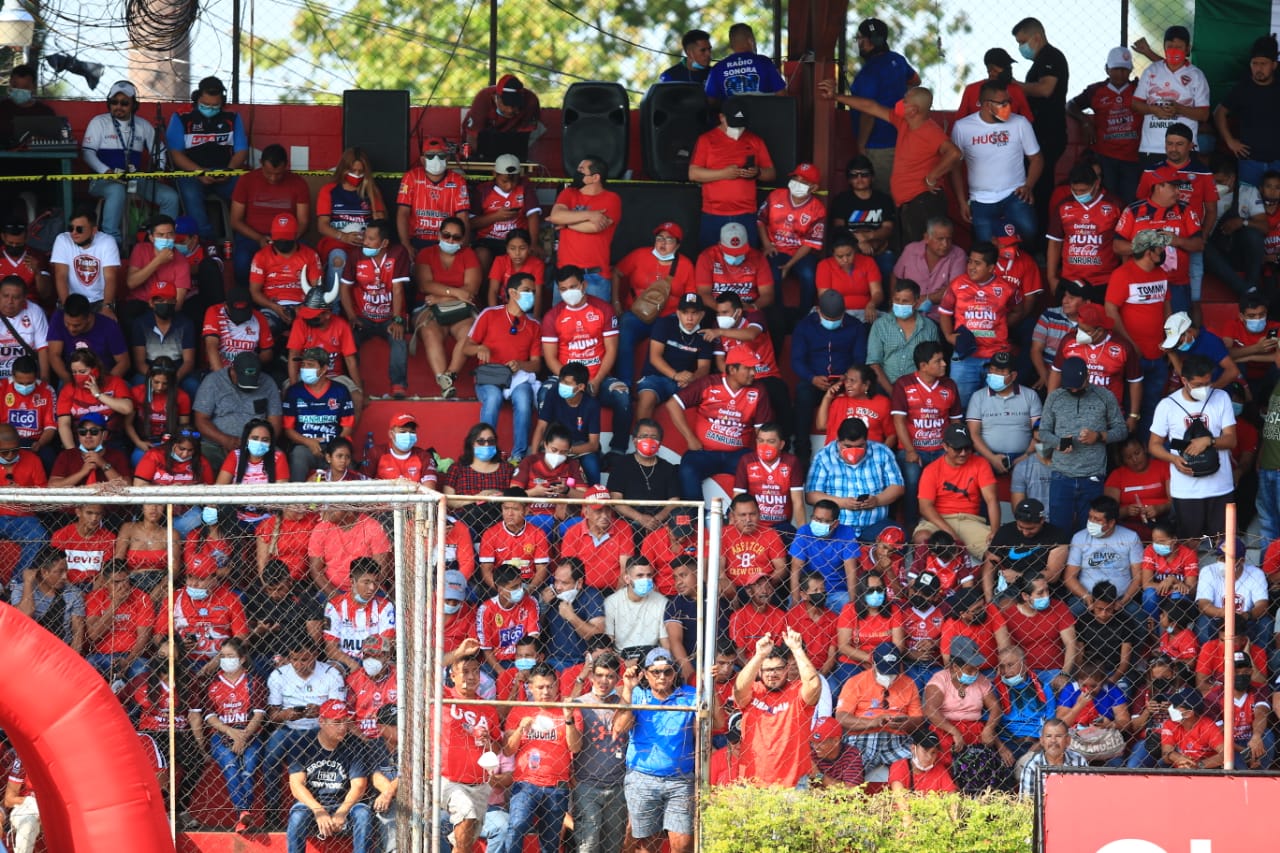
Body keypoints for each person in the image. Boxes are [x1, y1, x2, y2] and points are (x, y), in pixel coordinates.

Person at [816, 84, 962, 245]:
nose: (900, 103)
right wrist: (836, 96)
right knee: (911, 252)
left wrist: (932, 177)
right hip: (909, 204)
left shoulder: (930, 131)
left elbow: (954, 153)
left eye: (905, 101)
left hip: (923, 203)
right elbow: (871, 107)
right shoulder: (904, 122)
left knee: (924, 252)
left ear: (913, 110)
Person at [615, 647, 704, 853]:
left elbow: (712, 726)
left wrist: (708, 689)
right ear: (646, 674)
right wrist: (628, 689)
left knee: (682, 844)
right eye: (656, 672)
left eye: (667, 671)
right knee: (648, 845)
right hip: (643, 777)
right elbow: (620, 727)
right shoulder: (638, 694)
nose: (662, 676)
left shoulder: (689, 695)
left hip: (680, 779)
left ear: (674, 673)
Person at [542, 266, 630, 456]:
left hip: (599, 377)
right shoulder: (552, 316)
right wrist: (570, 382)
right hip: (566, 379)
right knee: (544, 394)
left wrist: (596, 380)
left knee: (622, 394)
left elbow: (612, 350)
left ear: (584, 285)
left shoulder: (604, 309)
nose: (568, 292)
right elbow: (550, 358)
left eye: (573, 287)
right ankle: (549, 450)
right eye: (563, 289)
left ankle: (618, 451)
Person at [81, 81, 180, 251]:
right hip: (103, 180)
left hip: (135, 180)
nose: (118, 106)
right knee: (116, 190)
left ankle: (161, 243)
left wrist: (160, 168)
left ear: (134, 104)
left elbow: (160, 151)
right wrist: (106, 171)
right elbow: (87, 153)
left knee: (170, 197)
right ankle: (113, 244)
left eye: (124, 103)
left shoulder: (143, 125)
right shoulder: (99, 122)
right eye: (114, 102)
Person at [1148, 354, 1237, 542]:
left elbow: (1231, 440)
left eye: (1207, 383)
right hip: (1186, 488)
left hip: (1220, 486)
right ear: (1184, 380)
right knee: (1189, 544)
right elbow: (1154, 445)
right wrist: (1173, 459)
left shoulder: (1221, 398)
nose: (1204, 388)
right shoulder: (1167, 405)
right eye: (1198, 385)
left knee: (1223, 544)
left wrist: (1209, 441)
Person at [666, 346, 773, 500]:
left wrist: (762, 458)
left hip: (739, 454)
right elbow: (673, 404)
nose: (753, 373)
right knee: (687, 469)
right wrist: (690, 438)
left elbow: (762, 431)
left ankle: (735, 514)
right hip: (705, 452)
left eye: (754, 368)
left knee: (758, 473)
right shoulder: (709, 383)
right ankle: (695, 514)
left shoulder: (758, 390)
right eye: (748, 368)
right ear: (732, 369)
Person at [1039, 356, 1128, 535]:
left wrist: (1099, 436)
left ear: (1087, 376)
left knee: (1090, 531)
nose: (1073, 389)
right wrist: (1059, 443)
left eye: (1077, 385)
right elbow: (1043, 432)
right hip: (1061, 474)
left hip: (1092, 476)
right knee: (1058, 530)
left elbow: (1121, 430)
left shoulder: (1104, 396)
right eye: (1069, 386)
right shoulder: (1055, 397)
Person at [498, 662, 581, 853]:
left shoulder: (568, 710)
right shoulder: (520, 710)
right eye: (540, 687)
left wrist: (568, 719)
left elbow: (575, 747)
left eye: (550, 686)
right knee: (517, 825)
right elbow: (508, 750)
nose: (546, 692)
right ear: (530, 687)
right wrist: (520, 729)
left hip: (557, 785)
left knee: (550, 842)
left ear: (557, 685)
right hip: (525, 783)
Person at [459, 277, 542, 461]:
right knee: (493, 398)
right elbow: (466, 348)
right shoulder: (490, 314)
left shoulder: (534, 325)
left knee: (523, 399)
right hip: (489, 377)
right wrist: (480, 348)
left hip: (518, 378)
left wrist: (521, 364)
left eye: (533, 292)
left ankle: (518, 457)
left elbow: (536, 364)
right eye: (527, 290)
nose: (532, 295)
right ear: (512, 292)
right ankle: (484, 453)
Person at [263, 635, 347, 817]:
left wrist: (320, 711)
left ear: (315, 654)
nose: (299, 664)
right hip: (289, 728)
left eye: (305, 659)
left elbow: (338, 711)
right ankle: (273, 809)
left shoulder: (331, 674)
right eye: (294, 659)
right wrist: (286, 714)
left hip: (320, 729)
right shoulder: (279, 675)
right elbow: (272, 715)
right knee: (271, 754)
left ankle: (322, 807)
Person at [949, 81, 1043, 243]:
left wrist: (1028, 186)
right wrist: (962, 202)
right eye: (1002, 103)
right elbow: (955, 168)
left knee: (1029, 233)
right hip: (980, 199)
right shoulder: (962, 128)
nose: (1008, 107)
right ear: (986, 105)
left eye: (1009, 101)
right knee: (986, 246)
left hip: (1015, 193)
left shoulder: (1020, 123)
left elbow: (1037, 158)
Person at [188, 637, 265, 833]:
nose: (225, 660)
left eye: (230, 656)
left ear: (242, 659)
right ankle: (244, 812)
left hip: (249, 733)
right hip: (221, 733)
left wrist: (243, 736)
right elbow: (210, 717)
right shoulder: (212, 683)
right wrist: (231, 732)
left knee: (248, 768)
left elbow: (258, 715)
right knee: (230, 765)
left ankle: (242, 815)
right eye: (222, 656)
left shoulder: (254, 681)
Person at [938, 241, 1024, 406]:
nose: (971, 267)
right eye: (970, 261)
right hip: (965, 356)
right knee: (961, 405)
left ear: (991, 268)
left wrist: (1001, 327)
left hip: (996, 357)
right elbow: (944, 312)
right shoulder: (957, 284)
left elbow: (1018, 311)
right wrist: (949, 336)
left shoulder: (1007, 288)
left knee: (995, 406)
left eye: (977, 263)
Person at [735, 629, 822, 787]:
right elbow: (739, 689)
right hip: (753, 782)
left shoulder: (797, 691)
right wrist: (759, 655)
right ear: (759, 671)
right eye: (767, 669)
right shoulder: (753, 691)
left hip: (794, 783)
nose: (772, 674)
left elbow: (814, 685)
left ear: (787, 668)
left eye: (778, 668)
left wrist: (797, 649)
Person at [1114, 165, 1203, 318]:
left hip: (1176, 285)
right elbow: (1117, 247)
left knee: (1177, 328)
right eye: (1173, 187)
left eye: (1179, 187)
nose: (1178, 192)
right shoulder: (1133, 210)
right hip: (1141, 285)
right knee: (1145, 326)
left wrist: (1177, 241)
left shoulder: (1185, 209)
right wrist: (1146, 242)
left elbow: (1199, 244)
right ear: (1158, 187)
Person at [890, 341, 962, 528]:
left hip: (942, 450)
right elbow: (898, 421)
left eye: (943, 360)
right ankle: (910, 527)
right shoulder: (904, 384)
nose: (944, 364)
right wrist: (910, 451)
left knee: (951, 481)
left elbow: (956, 422)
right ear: (923, 366)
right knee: (912, 480)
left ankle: (945, 525)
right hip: (913, 449)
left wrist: (953, 450)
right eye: (938, 361)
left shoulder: (949, 385)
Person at [285, 699, 373, 853]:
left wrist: (342, 811)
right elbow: (296, 785)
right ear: (322, 721)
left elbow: (359, 785)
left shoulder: (355, 745)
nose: (343, 727)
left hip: (345, 805)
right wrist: (319, 811)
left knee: (363, 813)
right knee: (297, 815)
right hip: (312, 807)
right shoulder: (303, 743)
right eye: (337, 722)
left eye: (345, 721)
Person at [791, 290, 868, 462]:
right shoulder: (805, 326)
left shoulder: (856, 326)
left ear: (844, 312)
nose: (832, 322)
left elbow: (859, 358)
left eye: (836, 319)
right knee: (802, 394)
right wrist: (812, 378)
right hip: (814, 380)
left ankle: (855, 449)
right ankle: (802, 452)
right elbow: (797, 360)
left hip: (845, 381)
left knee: (861, 391)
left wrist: (847, 378)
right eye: (827, 318)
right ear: (818, 310)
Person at [688, 99, 776, 250]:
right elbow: (693, 174)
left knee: (747, 258)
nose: (738, 129)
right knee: (711, 257)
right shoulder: (706, 140)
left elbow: (771, 174)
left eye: (741, 125)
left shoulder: (755, 140)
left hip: (746, 212)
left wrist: (757, 172)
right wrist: (724, 173)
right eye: (734, 124)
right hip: (714, 213)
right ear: (722, 117)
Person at [845, 18, 919, 192]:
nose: (859, 43)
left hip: (878, 144)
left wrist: (861, 144)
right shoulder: (897, 60)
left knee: (883, 194)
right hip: (901, 138)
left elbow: (868, 112)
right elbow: (915, 80)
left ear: (869, 41)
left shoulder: (869, 72)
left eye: (860, 38)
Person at [1011, 17, 1069, 238]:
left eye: (1023, 41)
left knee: (1041, 189)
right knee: (1034, 187)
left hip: (1048, 134)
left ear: (1036, 37)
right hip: (1037, 133)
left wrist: (1015, 86)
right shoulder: (1039, 61)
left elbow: (1046, 89)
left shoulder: (1051, 57)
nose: (1021, 47)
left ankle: (1042, 241)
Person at [339, 218, 409, 398]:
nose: (365, 242)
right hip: (363, 317)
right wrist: (352, 317)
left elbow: (398, 289)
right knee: (349, 337)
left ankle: (398, 386)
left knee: (398, 338)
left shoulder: (398, 253)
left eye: (371, 239)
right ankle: (351, 385)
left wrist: (397, 319)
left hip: (389, 317)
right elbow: (344, 288)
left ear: (384, 243)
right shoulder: (356, 255)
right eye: (365, 237)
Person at [413, 215, 482, 397]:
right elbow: (425, 285)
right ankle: (445, 385)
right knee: (429, 331)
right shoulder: (426, 254)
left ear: (463, 239)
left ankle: (449, 375)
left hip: (461, 309)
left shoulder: (468, 254)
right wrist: (455, 292)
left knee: (470, 333)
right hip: (429, 309)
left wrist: (441, 298)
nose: (450, 240)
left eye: (456, 237)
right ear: (439, 234)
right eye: (446, 235)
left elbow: (471, 289)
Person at [439, 651, 500, 853]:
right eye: (465, 671)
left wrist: (488, 740)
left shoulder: (487, 708)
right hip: (449, 779)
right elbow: (428, 671)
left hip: (479, 784)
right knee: (466, 814)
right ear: (452, 675)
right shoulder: (444, 696)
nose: (471, 677)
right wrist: (459, 652)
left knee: (465, 844)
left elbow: (498, 748)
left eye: (475, 671)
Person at [229, 144, 312, 286]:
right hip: (252, 237)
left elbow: (303, 221)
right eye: (268, 173)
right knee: (242, 261)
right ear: (260, 163)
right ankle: (247, 296)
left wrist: (286, 240)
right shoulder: (246, 181)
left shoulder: (298, 183)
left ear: (286, 165)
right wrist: (259, 238)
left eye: (278, 174)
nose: (273, 178)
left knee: (308, 259)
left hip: (288, 238)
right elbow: (235, 220)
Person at [757, 162, 827, 329]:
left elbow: (810, 243)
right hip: (776, 248)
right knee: (773, 276)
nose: (797, 183)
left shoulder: (817, 209)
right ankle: (777, 317)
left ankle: (804, 317)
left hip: (801, 253)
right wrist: (767, 245)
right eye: (796, 178)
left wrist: (789, 265)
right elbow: (760, 220)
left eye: (804, 181)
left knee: (809, 275)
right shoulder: (776, 196)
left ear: (813, 187)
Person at [1066, 47, 1140, 202]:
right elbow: (1071, 105)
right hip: (1105, 157)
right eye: (1116, 69)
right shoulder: (1095, 91)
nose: (1120, 73)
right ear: (1107, 69)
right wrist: (1085, 121)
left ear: (1131, 70)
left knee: (1130, 201)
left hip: (1133, 157)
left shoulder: (1139, 89)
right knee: (1107, 200)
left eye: (1124, 70)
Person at [1048, 302, 1142, 423]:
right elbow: (1056, 372)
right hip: (1073, 412)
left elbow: (1135, 381)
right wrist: (1050, 406)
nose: (1079, 333)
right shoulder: (1068, 341)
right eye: (1079, 328)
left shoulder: (1123, 347)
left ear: (1100, 331)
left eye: (1086, 331)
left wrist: (1133, 415)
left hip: (1109, 415)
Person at [1046, 164, 1125, 304]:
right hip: (1070, 280)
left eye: (1083, 190)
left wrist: (1123, 278)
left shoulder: (1115, 205)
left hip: (1104, 281)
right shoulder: (1063, 206)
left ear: (1097, 184)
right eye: (1075, 190)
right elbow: (1054, 242)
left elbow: (1124, 244)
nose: (1079, 194)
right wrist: (1051, 277)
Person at [546, 155, 621, 303]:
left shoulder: (611, 198)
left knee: (597, 317)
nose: (576, 173)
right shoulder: (568, 193)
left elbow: (595, 227)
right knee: (561, 318)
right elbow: (556, 216)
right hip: (565, 274)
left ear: (595, 177)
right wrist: (589, 214)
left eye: (581, 170)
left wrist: (567, 224)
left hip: (595, 276)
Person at [1132, 26, 1210, 165]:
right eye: (1170, 47)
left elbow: (1204, 114)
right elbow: (1135, 104)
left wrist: (1179, 109)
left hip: (1185, 150)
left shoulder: (1197, 75)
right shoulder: (1151, 70)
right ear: (1164, 47)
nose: (1174, 51)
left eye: (1179, 47)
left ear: (1187, 49)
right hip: (1152, 148)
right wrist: (1153, 109)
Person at [634, 293, 714, 424]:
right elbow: (654, 357)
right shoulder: (664, 324)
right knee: (647, 398)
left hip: (684, 382)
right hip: (656, 377)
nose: (689, 318)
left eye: (694, 313)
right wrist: (675, 375)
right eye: (685, 313)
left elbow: (704, 367)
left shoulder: (705, 334)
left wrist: (692, 378)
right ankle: (642, 435)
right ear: (678, 313)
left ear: (702, 315)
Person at [1215, 34, 1280, 189]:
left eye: (1263, 64)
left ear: (1274, 65)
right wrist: (1230, 141)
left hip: (1278, 161)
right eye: (1255, 63)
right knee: (1248, 203)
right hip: (1250, 162)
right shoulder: (1242, 89)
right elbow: (1219, 113)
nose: (1258, 68)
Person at [314, 147, 386, 281]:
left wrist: (371, 192)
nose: (357, 175)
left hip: (365, 243)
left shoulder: (371, 191)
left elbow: (381, 223)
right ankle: (334, 295)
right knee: (338, 259)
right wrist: (343, 236)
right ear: (343, 169)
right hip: (337, 241)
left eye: (361, 171)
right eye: (353, 171)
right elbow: (322, 226)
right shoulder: (329, 190)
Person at [247, 212, 323, 336]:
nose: (282, 242)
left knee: (315, 327)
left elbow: (317, 290)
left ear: (295, 235)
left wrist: (302, 308)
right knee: (264, 328)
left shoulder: (310, 255)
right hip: (271, 306)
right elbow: (254, 292)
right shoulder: (261, 256)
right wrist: (274, 307)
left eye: (286, 239)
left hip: (302, 305)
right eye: (279, 239)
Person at [470, 154, 542, 278]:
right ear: (494, 174)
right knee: (482, 254)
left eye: (513, 181)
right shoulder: (483, 190)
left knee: (522, 255)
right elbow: (471, 223)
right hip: (488, 240)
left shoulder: (524, 188)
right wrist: (496, 216)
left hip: (516, 240)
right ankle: (484, 290)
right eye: (504, 181)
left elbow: (533, 215)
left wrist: (534, 243)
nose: (509, 186)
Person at [395, 137, 470, 252]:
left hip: (447, 240)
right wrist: (406, 245)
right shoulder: (411, 177)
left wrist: (462, 248)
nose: (436, 159)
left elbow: (463, 217)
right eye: (430, 156)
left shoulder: (457, 180)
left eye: (441, 155)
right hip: (417, 239)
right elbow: (403, 213)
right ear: (422, 159)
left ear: (447, 158)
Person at [867, 279, 940, 395]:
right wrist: (893, 393)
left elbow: (934, 363)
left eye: (905, 301)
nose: (900, 304)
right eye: (897, 300)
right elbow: (874, 364)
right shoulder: (880, 325)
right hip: (885, 388)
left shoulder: (929, 327)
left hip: (919, 390)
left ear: (916, 303)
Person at [1003, 574, 1077, 687]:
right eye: (1040, 593)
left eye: (1047, 590)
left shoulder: (1059, 607)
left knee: (1067, 689)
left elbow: (1071, 643)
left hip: (1054, 671)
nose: (1046, 596)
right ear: (1025, 596)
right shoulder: (1009, 615)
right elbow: (1007, 652)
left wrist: (1064, 673)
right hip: (1025, 673)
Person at [606, 419, 680, 532]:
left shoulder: (668, 468)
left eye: (654, 437)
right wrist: (640, 518)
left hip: (660, 527)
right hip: (628, 525)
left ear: (660, 443)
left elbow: (674, 501)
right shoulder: (621, 465)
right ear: (634, 440)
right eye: (644, 436)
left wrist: (656, 520)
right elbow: (615, 500)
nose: (649, 440)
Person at [11, 549, 84, 650]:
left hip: (61, 649)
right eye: (60, 572)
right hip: (28, 649)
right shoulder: (21, 589)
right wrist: (28, 583)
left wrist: (70, 658)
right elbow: (25, 614)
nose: (65, 577)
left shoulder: (73, 593)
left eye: (66, 571)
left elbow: (78, 634)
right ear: (44, 572)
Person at [51, 208, 121, 314]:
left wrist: (107, 307)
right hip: (71, 300)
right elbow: (61, 276)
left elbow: (110, 278)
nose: (74, 233)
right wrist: (67, 308)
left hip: (99, 301)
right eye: (71, 228)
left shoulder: (107, 242)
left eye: (79, 229)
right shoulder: (62, 240)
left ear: (94, 230)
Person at [463, 74, 543, 161]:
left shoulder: (531, 101)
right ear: (496, 97)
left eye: (515, 105)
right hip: (485, 139)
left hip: (514, 138)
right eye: (506, 103)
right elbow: (472, 137)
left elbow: (523, 141)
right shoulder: (483, 98)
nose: (510, 110)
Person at [1159, 311, 1241, 390]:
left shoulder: (1210, 342)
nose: (1179, 346)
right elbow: (1185, 375)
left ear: (1189, 331)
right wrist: (1170, 352)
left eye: (1179, 342)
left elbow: (1233, 371)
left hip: (1218, 391)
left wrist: (1211, 390)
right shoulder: (1188, 344)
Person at [704, 23, 785, 102]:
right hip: (763, 110)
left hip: (731, 110)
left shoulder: (718, 68)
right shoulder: (764, 62)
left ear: (731, 45)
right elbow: (782, 95)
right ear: (751, 41)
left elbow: (710, 100)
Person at [605, 557, 668, 654]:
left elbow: (665, 641)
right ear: (627, 579)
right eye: (640, 575)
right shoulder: (612, 602)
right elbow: (609, 640)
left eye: (649, 575)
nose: (645, 580)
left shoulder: (661, 602)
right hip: (621, 656)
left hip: (651, 655)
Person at [957, 47, 1034, 121]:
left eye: (1009, 65)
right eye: (1003, 66)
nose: (1008, 68)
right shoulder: (972, 90)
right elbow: (959, 122)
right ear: (990, 69)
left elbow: (1028, 121)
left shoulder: (1016, 90)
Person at [1016, 718, 1086, 799]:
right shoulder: (1032, 767)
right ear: (1042, 741)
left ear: (1068, 740)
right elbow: (1027, 803)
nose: (1053, 740)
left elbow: (1087, 794)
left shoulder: (1079, 761)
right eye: (1048, 736)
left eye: (1059, 736)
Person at [1160, 688, 1224, 770]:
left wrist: (1198, 765)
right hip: (1180, 769)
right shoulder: (1170, 723)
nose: (1171, 707)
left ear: (1188, 713)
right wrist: (1175, 756)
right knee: (1161, 763)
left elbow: (1225, 755)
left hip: (1206, 769)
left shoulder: (1207, 726)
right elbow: (1165, 755)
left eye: (1175, 705)